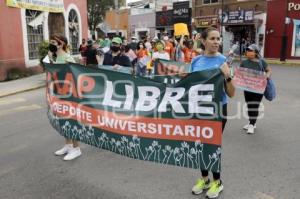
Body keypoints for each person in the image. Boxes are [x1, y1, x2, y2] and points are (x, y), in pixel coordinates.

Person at [190, 27, 235, 198]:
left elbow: (231, 93)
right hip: (199, 109)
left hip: (217, 110)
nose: (217, 42)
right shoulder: (195, 61)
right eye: (213, 38)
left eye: (218, 39)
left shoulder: (224, 61)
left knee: (212, 145)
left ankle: (217, 182)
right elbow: (190, 85)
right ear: (203, 41)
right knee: (200, 144)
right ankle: (204, 179)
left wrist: (227, 76)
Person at [47, 34, 82, 161]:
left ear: (61, 44)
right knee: (63, 120)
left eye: (54, 42)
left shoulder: (68, 58)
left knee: (71, 120)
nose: (52, 44)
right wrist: (50, 59)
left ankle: (76, 148)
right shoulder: (55, 58)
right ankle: (68, 145)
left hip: (69, 94)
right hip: (59, 93)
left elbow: (75, 76)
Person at [240, 44, 271, 134]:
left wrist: (267, 77)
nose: (248, 52)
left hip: (259, 88)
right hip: (247, 88)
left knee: (254, 106)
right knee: (249, 105)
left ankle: (252, 125)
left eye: (250, 50)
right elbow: (240, 73)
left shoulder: (261, 62)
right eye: (247, 50)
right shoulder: (244, 62)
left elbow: (268, 70)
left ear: (256, 52)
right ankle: (251, 122)